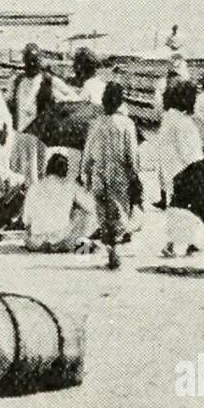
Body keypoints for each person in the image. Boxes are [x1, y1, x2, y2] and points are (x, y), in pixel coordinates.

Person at [81, 82, 142, 270]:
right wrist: (135, 176)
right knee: (119, 213)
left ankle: (109, 251)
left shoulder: (96, 124)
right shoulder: (127, 124)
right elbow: (131, 155)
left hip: (99, 173)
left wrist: (86, 173)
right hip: (119, 175)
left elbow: (88, 153)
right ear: (121, 102)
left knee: (102, 213)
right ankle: (116, 250)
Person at [158, 79, 204, 258]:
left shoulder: (168, 119)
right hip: (185, 171)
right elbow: (189, 153)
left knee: (176, 210)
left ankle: (179, 242)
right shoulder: (184, 124)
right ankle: (180, 243)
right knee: (190, 209)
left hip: (170, 170)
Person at [23, 152, 99, 253]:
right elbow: (91, 207)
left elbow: (26, 220)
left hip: (36, 241)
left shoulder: (34, 186)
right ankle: (80, 245)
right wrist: (86, 186)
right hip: (61, 239)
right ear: (66, 170)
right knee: (84, 215)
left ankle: (49, 243)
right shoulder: (70, 185)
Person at [10, 43, 49, 185]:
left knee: (38, 173)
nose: (32, 63)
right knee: (19, 174)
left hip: (39, 135)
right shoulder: (17, 81)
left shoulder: (46, 81)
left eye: (35, 60)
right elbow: (11, 105)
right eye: (29, 60)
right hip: (21, 134)